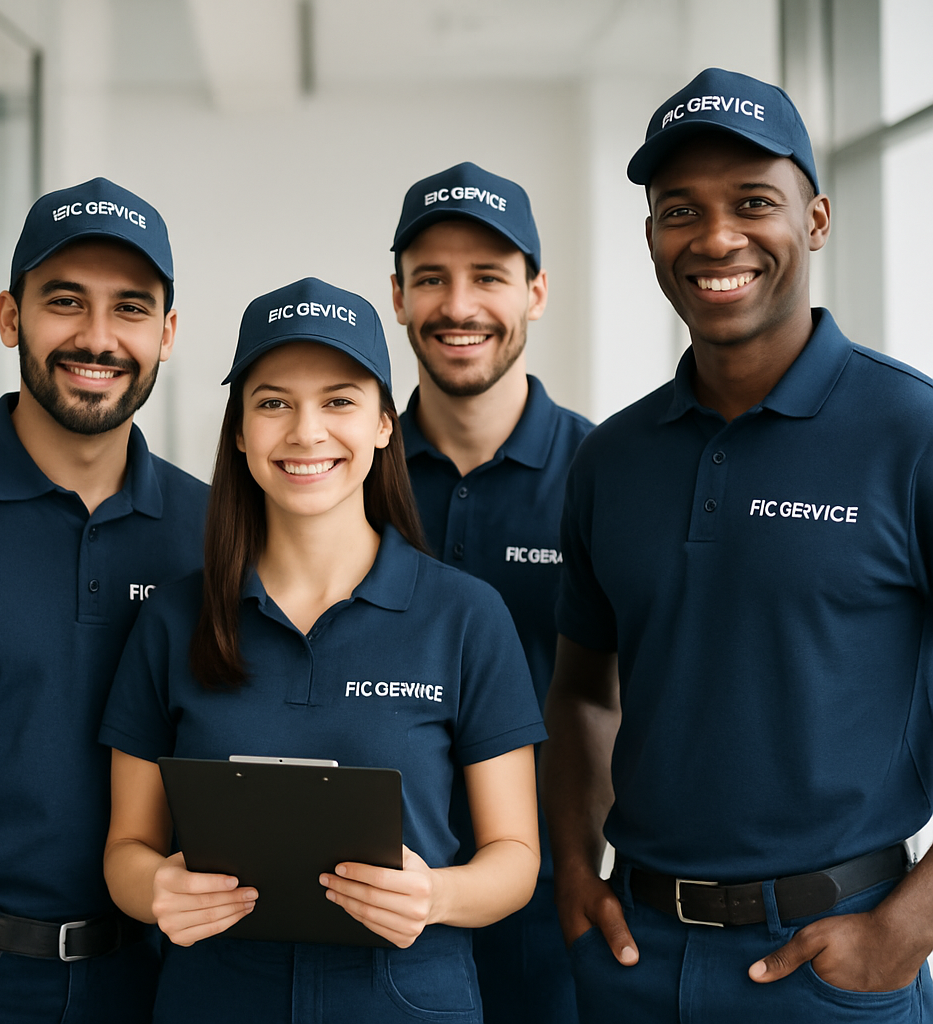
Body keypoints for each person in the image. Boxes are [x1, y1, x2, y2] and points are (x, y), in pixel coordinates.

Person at [542, 65, 933, 1023]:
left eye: (753, 202)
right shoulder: (612, 458)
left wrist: (908, 928)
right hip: (632, 954)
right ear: (651, 238)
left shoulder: (911, 433)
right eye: (681, 210)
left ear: (818, 219)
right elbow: (587, 687)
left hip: (831, 962)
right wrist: (573, 869)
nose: (716, 238)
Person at [99, 276, 545, 1023]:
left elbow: (516, 858)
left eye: (339, 401)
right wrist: (156, 891)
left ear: (383, 425)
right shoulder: (176, 617)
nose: (306, 433)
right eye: (273, 403)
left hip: (404, 996)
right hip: (215, 995)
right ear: (239, 431)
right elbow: (126, 848)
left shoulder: (466, 616)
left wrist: (436, 894)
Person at [0, 177, 208, 1024]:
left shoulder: (217, 531)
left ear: (168, 333)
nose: (98, 338)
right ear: (11, 317)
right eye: (66, 302)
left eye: (132, 309)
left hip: (159, 980)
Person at [389, 161, 591, 1023]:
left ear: (536, 292)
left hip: (558, 906)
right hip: (381, 898)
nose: (458, 306)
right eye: (431, 278)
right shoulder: (341, 475)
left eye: (489, 278)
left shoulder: (605, 474)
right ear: (396, 296)